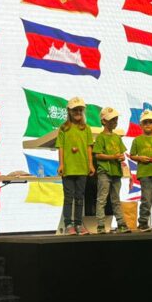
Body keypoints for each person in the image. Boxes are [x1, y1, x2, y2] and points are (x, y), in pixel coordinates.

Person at [56, 97, 95, 235]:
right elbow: (60, 147)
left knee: (79, 197)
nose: (78, 112)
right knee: (68, 197)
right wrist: (61, 164)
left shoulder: (86, 128)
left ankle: (78, 224)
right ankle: (68, 225)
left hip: (82, 168)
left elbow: (89, 147)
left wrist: (90, 164)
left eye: (80, 110)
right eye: (75, 110)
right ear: (69, 111)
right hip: (68, 168)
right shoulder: (64, 128)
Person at [92, 107, 130, 234]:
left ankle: (121, 223)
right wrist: (113, 157)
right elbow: (97, 155)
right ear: (104, 121)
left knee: (116, 199)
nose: (115, 121)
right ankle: (100, 225)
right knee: (102, 199)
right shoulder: (101, 137)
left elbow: (121, 154)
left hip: (116, 172)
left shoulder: (117, 137)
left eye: (116, 119)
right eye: (112, 119)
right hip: (104, 172)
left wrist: (121, 158)